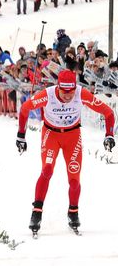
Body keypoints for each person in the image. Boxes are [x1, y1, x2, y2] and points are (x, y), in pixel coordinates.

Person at [16, 70, 115, 235]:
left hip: (72, 136)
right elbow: (25, 109)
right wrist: (21, 136)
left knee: (74, 180)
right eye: (64, 92)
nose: (68, 96)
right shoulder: (48, 94)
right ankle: (36, 212)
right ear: (58, 87)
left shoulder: (81, 94)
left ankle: (73, 212)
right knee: (47, 170)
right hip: (51, 135)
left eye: (71, 92)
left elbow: (108, 112)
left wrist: (109, 135)